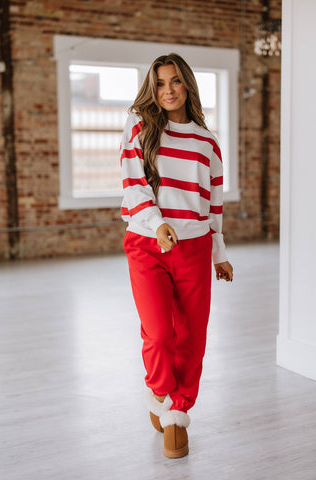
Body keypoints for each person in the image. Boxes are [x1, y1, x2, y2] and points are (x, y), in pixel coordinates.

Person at [120, 53, 233, 459]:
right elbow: (133, 184)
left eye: (176, 82)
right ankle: (162, 393)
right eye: (160, 83)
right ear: (153, 88)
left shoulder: (207, 142)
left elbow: (214, 203)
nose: (168, 91)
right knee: (158, 332)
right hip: (147, 244)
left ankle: (178, 411)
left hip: (194, 245)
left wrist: (218, 252)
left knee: (191, 336)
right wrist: (156, 224)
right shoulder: (139, 126)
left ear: (188, 85)